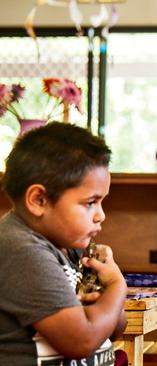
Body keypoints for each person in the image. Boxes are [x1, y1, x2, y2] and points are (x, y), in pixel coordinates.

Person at [0, 122, 127, 365]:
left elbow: (113, 329)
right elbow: (82, 341)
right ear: (39, 200)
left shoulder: (73, 249)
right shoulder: (21, 250)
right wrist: (117, 287)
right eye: (90, 202)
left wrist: (105, 298)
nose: (101, 215)